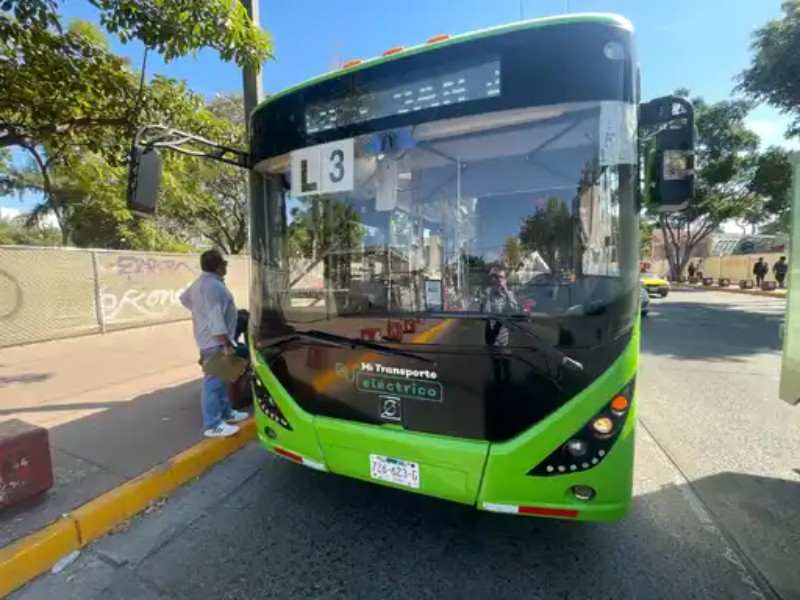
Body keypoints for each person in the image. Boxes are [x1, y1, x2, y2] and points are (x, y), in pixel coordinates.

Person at [179, 249, 249, 438]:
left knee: (222, 378)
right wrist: (225, 343)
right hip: (215, 342)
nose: (226, 266)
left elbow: (183, 299)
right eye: (224, 263)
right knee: (213, 383)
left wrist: (199, 313)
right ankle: (212, 424)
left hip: (207, 339)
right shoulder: (213, 287)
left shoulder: (200, 283)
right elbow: (216, 318)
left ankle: (226, 413)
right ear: (218, 266)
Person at [480, 264, 518, 382]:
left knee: (506, 364)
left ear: (505, 280)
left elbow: (514, 310)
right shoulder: (489, 294)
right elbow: (485, 313)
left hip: (504, 335)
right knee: (496, 365)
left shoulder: (509, 294)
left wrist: (506, 292)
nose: (499, 280)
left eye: (501, 277)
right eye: (497, 277)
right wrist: (488, 295)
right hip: (491, 334)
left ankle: (507, 385)